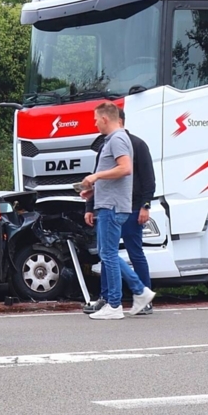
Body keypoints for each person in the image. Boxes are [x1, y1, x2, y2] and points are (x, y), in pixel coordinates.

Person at [80, 102, 155, 319]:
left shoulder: (118, 140)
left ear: (105, 119)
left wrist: (96, 177)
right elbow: (115, 173)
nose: (95, 124)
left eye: (96, 119)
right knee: (108, 254)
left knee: (112, 254)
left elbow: (125, 168)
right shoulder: (112, 141)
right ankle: (138, 292)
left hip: (114, 206)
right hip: (111, 204)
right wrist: (93, 193)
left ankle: (115, 304)